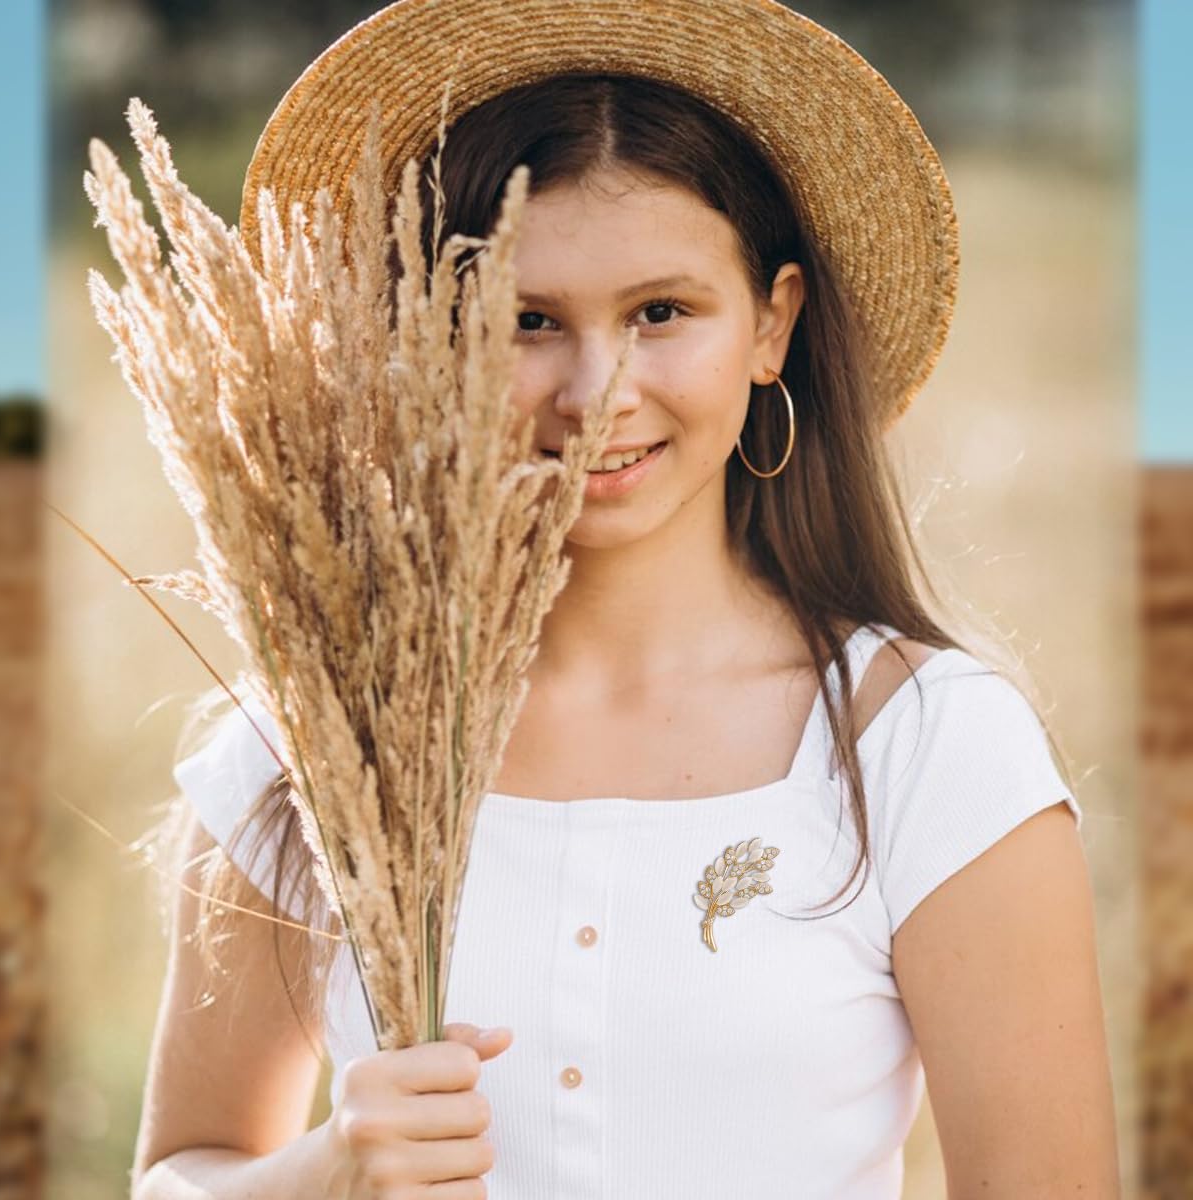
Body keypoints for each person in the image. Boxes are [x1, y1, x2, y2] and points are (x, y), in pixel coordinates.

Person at [129, 1, 1121, 1197]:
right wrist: (332, 1168)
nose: (597, 392)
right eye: (525, 321)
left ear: (773, 323)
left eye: (661, 312)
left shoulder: (930, 746)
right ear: (427, 341)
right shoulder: (316, 742)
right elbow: (180, 1172)